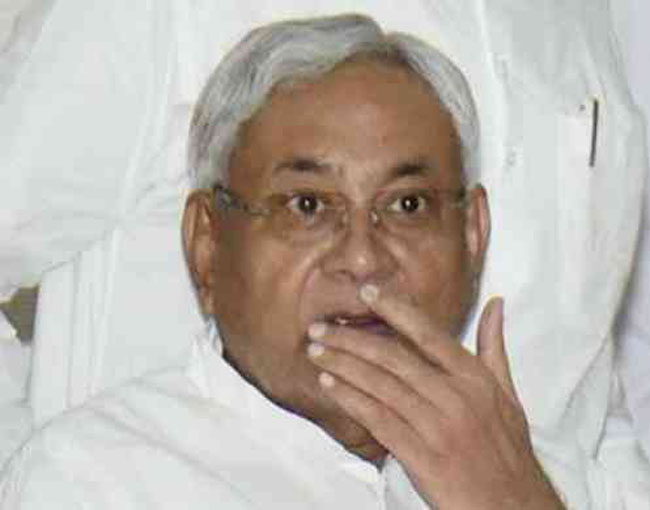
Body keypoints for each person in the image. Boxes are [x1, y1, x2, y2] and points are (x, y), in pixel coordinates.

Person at [0, 13, 568, 509]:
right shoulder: (95, 480)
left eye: (407, 205)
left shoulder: (543, 476)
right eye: (308, 206)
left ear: (473, 236)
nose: (362, 259)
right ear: (206, 245)